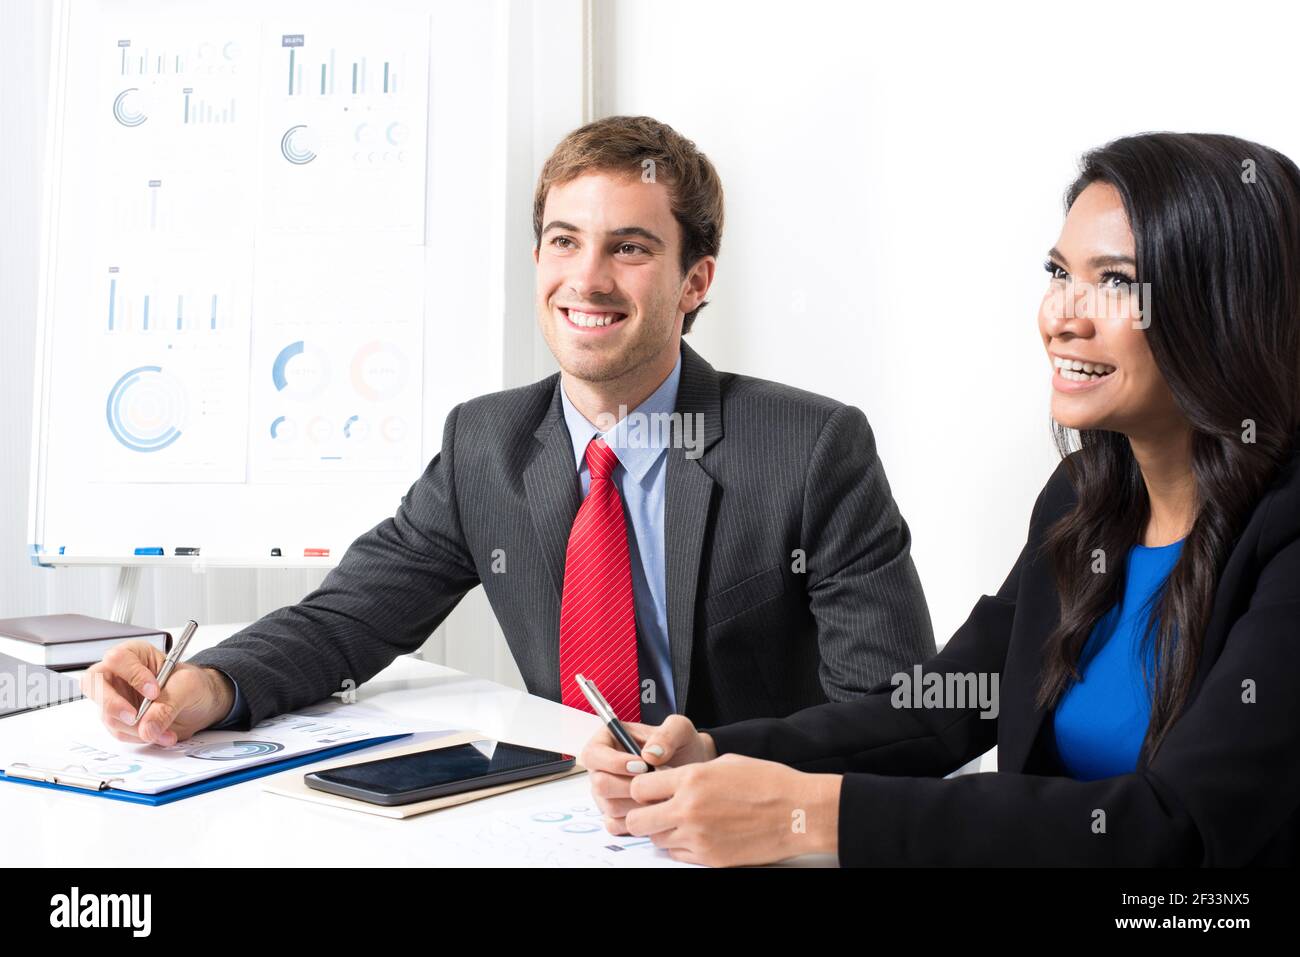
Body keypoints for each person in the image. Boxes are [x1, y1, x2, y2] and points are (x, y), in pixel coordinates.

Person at [81, 115, 934, 746]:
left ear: (694, 281)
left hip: (752, 834)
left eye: (630, 248)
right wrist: (210, 683)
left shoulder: (810, 449)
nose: (587, 279)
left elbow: (894, 712)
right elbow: (348, 620)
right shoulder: (486, 444)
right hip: (568, 825)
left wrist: (719, 755)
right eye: (564, 241)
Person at [581, 131, 1300, 867]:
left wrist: (815, 814)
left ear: (1226, 305)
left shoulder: (1285, 531)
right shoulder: (1083, 499)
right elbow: (946, 708)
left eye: (1116, 282)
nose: (1062, 315)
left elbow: (1180, 828)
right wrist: (710, 747)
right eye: (1058, 273)